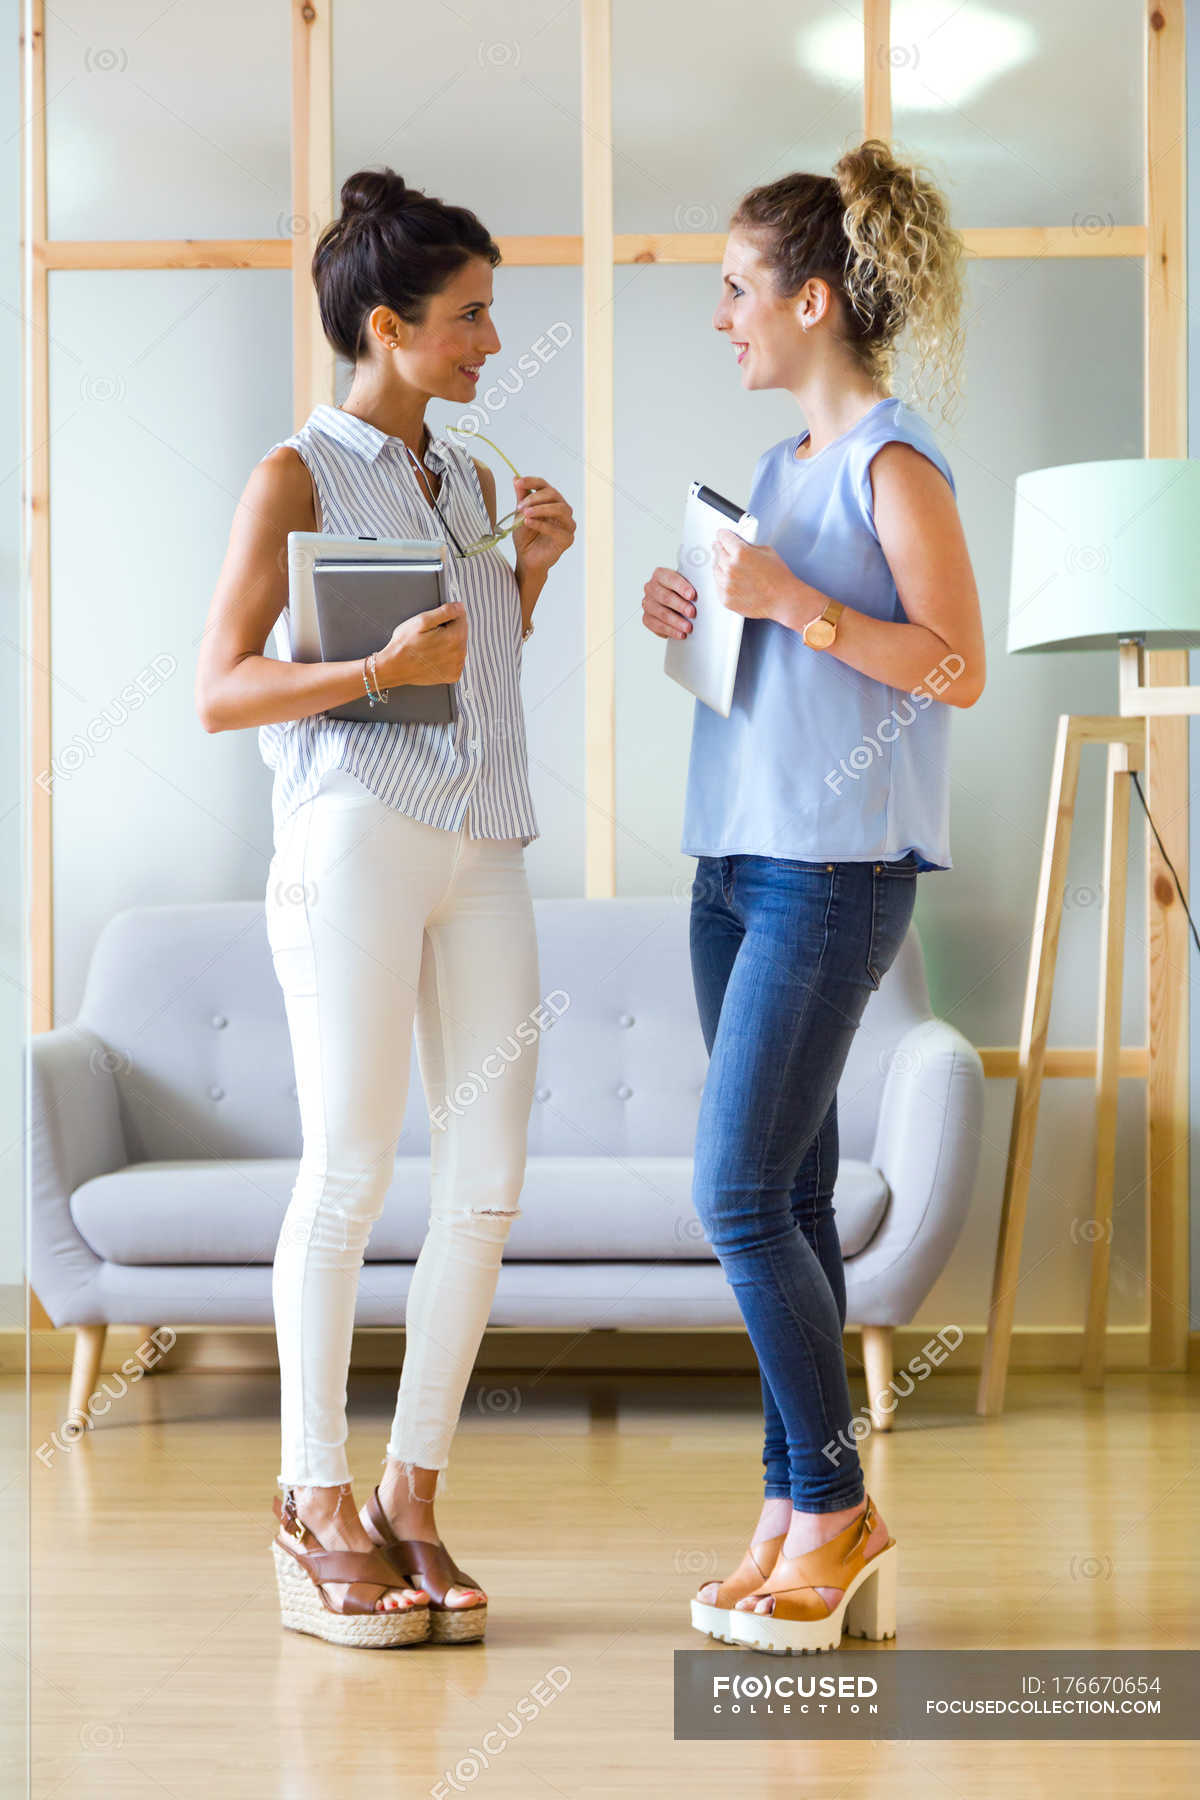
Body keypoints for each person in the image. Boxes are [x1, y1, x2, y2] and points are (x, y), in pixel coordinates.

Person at [195, 168, 575, 1650]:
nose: (492, 341)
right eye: (469, 317)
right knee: (350, 1171)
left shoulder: (471, 483)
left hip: (484, 841)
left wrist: (525, 579)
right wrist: (363, 677)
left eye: (490, 313)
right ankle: (313, 1499)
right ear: (387, 325)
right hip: (352, 839)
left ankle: (411, 1496)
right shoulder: (293, 474)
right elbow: (222, 691)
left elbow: (470, 680)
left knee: (484, 1181)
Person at [640, 138, 985, 1657]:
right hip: (733, 861)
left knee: (732, 1196)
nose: (721, 316)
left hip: (833, 881)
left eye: (735, 291)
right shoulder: (777, 474)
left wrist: (800, 606)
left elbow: (954, 666)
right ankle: (793, 1509)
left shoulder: (890, 463)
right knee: (784, 1197)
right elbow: (777, 666)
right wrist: (701, 617)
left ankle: (837, 1503)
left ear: (814, 300)